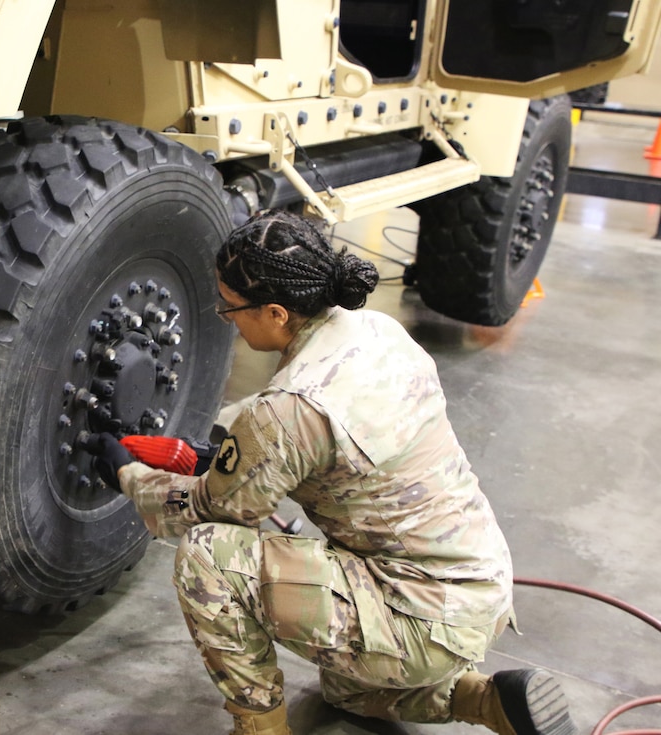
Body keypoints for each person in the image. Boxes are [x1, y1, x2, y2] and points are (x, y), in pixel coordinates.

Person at [85, 210, 574, 735]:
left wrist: (130, 476)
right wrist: (228, 441)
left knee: (208, 556)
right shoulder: (375, 330)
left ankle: (261, 729)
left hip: (418, 613)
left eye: (230, 309)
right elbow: (310, 429)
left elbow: (209, 508)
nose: (226, 319)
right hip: (478, 584)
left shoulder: (288, 413)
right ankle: (484, 701)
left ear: (275, 313)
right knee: (345, 689)